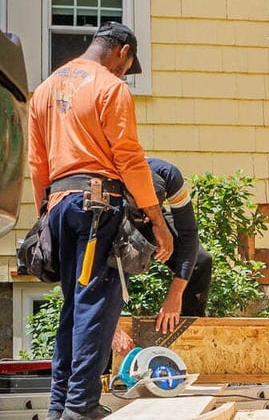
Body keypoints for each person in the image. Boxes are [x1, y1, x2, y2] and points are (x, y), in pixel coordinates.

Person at [28, 21, 174, 420]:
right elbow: (128, 158)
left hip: (58, 204)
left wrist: (45, 213)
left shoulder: (44, 90)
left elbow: (37, 163)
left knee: (74, 309)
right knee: (95, 307)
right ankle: (81, 407)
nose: (125, 72)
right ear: (122, 52)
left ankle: (61, 405)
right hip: (96, 206)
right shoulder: (110, 88)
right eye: (127, 65)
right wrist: (156, 220)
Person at [111, 158, 214, 355]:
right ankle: (107, 355)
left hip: (156, 217)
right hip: (120, 219)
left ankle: (187, 336)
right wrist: (113, 328)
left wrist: (175, 295)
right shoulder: (111, 181)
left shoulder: (170, 177)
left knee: (200, 261)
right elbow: (96, 270)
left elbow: (189, 234)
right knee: (113, 269)